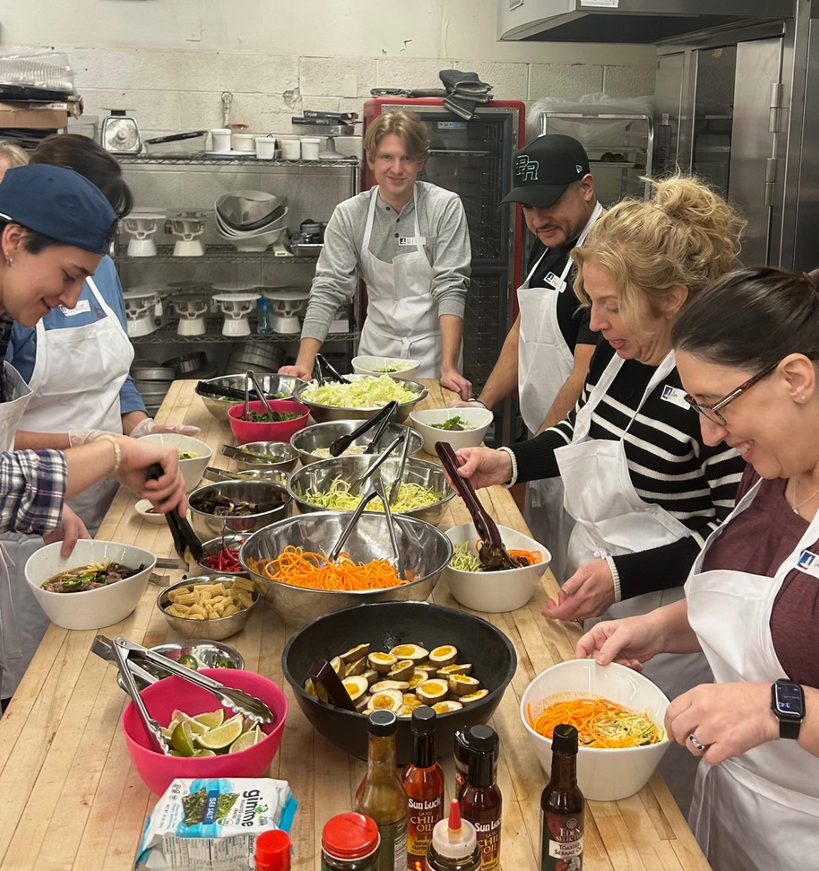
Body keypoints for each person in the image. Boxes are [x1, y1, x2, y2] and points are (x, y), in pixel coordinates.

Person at [451, 177, 747, 809]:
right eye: (590, 301)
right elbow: (577, 432)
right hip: (598, 584)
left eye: (610, 303)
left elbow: (731, 541)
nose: (595, 321)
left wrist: (625, 575)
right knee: (580, 769)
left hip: (668, 619)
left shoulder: (711, 392)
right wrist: (507, 461)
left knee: (644, 793)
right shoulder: (620, 357)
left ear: (671, 299)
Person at [578, 267, 819, 871]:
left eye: (720, 407)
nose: (710, 437)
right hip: (731, 821)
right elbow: (758, 612)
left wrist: (784, 708)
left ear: (796, 378)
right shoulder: (770, 471)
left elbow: (787, 677)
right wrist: (657, 628)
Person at [0, 136, 197, 701]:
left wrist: (126, 433)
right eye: (65, 275)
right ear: (14, 240)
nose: (70, 299)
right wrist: (107, 451)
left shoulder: (30, 293)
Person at [458, 135, 601, 581]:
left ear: (587, 188)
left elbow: (583, 374)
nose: (538, 218)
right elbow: (524, 332)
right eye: (528, 207)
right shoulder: (551, 245)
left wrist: (526, 459)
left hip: (577, 454)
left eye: (549, 202)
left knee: (571, 576)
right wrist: (479, 410)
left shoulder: (607, 256)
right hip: (542, 445)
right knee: (540, 570)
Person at [280, 110, 472, 397]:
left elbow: (451, 286)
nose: (397, 168)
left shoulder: (444, 207)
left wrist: (449, 367)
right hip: (375, 355)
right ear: (370, 159)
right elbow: (328, 289)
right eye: (386, 157)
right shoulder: (349, 215)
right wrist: (304, 365)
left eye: (406, 158)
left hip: (433, 356)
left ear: (420, 161)